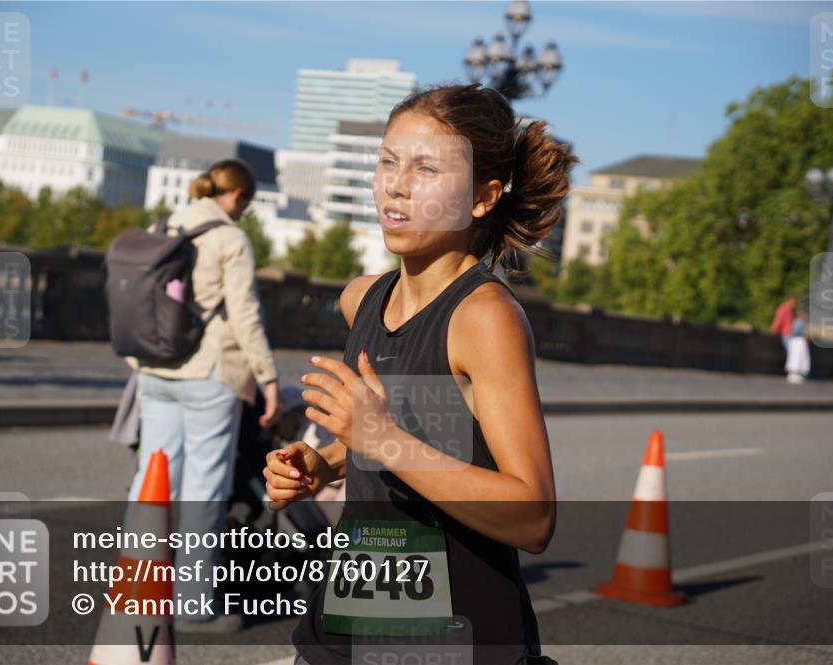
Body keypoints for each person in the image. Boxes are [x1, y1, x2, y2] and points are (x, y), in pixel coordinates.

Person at [263, 83, 572, 665]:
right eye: (387, 161)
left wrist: (380, 439)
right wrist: (322, 461)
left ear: (482, 197)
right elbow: (424, 430)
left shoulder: (484, 318)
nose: (396, 185)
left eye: (427, 168)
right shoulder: (362, 299)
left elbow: (533, 515)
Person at [125, 159, 281, 633]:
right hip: (209, 373)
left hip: (154, 367)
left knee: (152, 478)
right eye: (246, 205)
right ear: (237, 196)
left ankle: (136, 588)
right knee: (203, 489)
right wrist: (268, 378)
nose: (244, 213)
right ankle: (195, 606)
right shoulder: (229, 238)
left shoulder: (163, 225)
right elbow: (245, 316)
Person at [784, 305, 811, 383]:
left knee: (799, 358)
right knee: (796, 358)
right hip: (798, 341)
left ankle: (796, 373)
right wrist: (806, 336)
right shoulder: (799, 321)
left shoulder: (799, 321)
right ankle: (793, 374)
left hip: (797, 341)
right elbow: (799, 333)